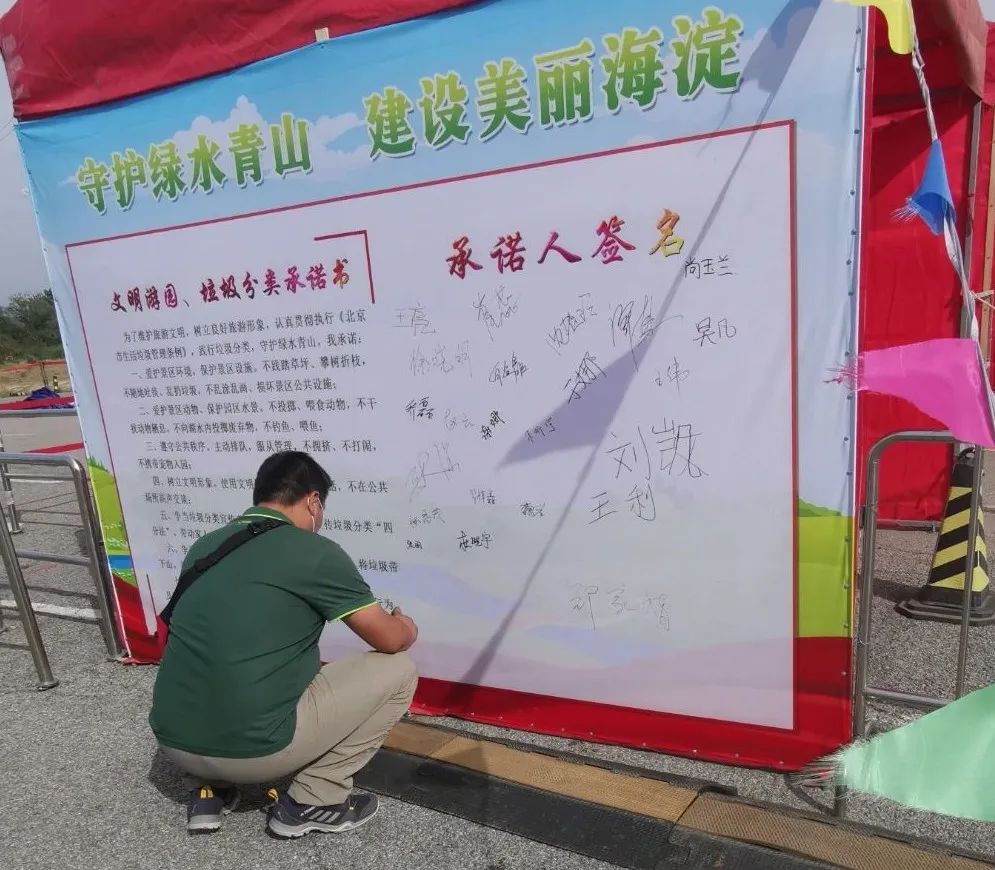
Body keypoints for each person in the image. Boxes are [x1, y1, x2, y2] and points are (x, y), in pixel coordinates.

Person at [149, 451, 419, 838]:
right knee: (399, 670)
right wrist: (406, 626)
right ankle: (316, 799)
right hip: (255, 754)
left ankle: (209, 791)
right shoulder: (314, 552)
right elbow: (389, 640)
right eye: (321, 508)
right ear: (313, 501)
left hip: (175, 744)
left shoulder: (205, 546)